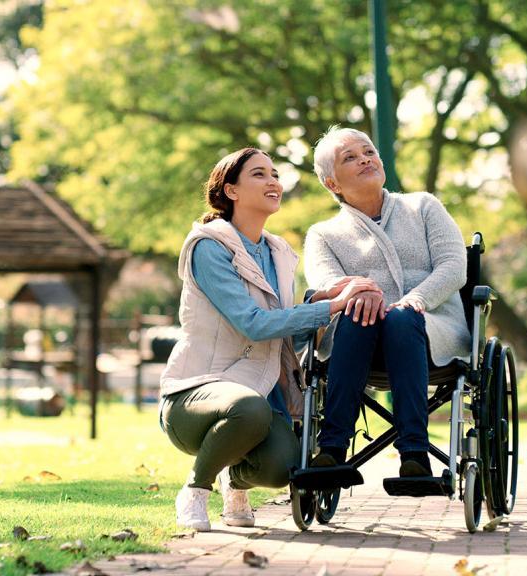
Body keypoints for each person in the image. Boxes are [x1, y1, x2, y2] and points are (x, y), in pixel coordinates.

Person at [160, 147, 379, 531]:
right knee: (249, 408)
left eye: (275, 174)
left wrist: (320, 300)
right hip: (194, 394)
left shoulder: (278, 253)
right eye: (259, 175)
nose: (274, 182)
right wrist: (329, 308)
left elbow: (281, 338)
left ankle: (235, 480)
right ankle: (196, 489)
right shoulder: (208, 247)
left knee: (285, 467)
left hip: (257, 392)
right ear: (231, 191)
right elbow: (254, 325)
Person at [303, 126, 472, 478]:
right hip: (358, 343)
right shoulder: (323, 234)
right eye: (349, 157)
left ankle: (415, 453)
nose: (365, 158)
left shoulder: (423, 206)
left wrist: (415, 300)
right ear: (332, 183)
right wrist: (358, 290)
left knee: (400, 318)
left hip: (431, 331)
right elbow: (326, 283)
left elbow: (454, 266)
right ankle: (332, 448)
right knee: (357, 314)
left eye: (368, 152)